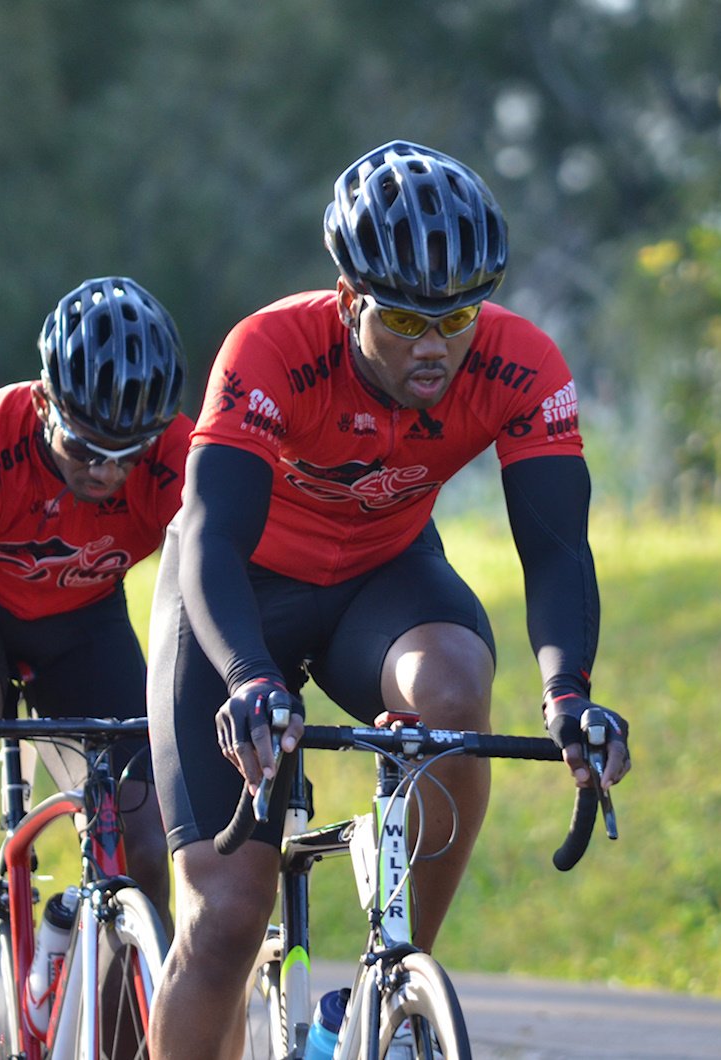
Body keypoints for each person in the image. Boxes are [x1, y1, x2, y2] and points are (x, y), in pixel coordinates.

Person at [146, 140, 633, 1058]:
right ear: (347, 301)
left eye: (459, 317)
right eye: (408, 320)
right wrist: (248, 678)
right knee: (224, 920)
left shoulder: (521, 364)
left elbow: (558, 549)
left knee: (453, 690)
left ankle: (393, 985)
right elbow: (211, 539)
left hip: (380, 574)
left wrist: (569, 696)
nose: (439, 345)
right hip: (238, 591)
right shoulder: (270, 349)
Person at [0, 276, 191, 1060]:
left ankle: (121, 1029)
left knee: (146, 834)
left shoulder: (174, 458)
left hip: (82, 625)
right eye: (85, 447)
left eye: (127, 453)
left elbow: (223, 582)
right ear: (46, 400)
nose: (103, 471)